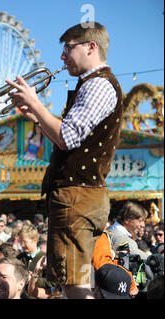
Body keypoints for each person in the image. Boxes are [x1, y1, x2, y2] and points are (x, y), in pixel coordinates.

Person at [7, 22, 124, 299]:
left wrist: (36, 103)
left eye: (68, 48)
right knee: (78, 280)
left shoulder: (98, 84)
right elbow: (73, 141)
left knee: (72, 284)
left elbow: (67, 137)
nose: (62, 56)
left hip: (76, 198)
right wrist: (38, 118)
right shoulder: (95, 84)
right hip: (82, 197)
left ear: (90, 47)